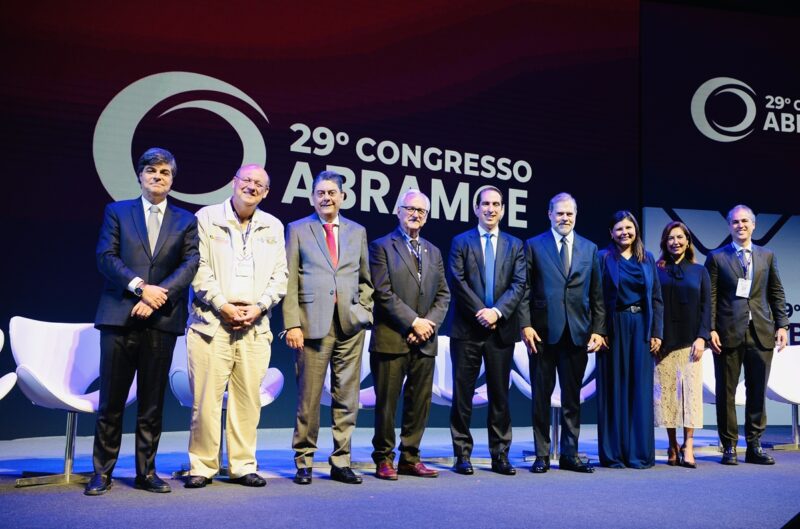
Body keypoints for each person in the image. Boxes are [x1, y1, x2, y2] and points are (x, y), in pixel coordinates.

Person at [86, 148, 199, 495]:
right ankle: (102, 472)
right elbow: (106, 256)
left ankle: (146, 472)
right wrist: (140, 288)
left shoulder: (185, 220)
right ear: (140, 175)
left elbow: (190, 263)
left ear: (172, 180)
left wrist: (157, 296)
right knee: (111, 401)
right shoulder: (117, 212)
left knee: (152, 404)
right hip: (119, 317)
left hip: (161, 320)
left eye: (165, 172)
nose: (158, 177)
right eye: (152, 171)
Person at [185, 164, 288, 488]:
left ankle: (243, 465)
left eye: (259, 184)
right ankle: (202, 466)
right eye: (247, 180)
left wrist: (259, 307)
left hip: (255, 325)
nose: (252, 187)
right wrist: (223, 305)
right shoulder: (206, 217)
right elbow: (197, 268)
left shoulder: (273, 226)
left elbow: (280, 276)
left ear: (266, 192)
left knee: (247, 401)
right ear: (234, 182)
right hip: (211, 322)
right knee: (206, 401)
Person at [283, 170, 374, 485]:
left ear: (342, 197)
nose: (326, 198)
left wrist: (364, 312)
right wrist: (292, 324)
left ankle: (341, 461)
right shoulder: (297, 229)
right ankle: (304, 461)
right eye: (320, 193)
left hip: (350, 326)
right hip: (311, 325)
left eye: (332, 193)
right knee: (308, 399)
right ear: (312, 197)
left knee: (347, 397)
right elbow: (289, 281)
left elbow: (366, 279)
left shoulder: (357, 231)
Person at [519, 193, 605, 474]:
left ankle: (570, 454)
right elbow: (524, 289)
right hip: (542, 335)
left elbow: (597, 294)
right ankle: (542, 454)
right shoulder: (534, 245)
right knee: (541, 399)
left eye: (569, 214)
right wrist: (525, 324)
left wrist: (598, 329)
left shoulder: (590, 248)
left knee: (572, 399)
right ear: (549, 214)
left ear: (576, 215)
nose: (565, 218)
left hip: (577, 333)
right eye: (560, 213)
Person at [369, 189, 450, 480]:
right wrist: (413, 322)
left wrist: (427, 325)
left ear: (426, 217)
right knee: (387, 405)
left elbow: (443, 295)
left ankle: (410, 458)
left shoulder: (433, 251)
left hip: (425, 341)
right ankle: (384, 459)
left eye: (421, 211)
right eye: (410, 209)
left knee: (419, 403)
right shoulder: (381, 246)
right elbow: (382, 292)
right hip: (392, 339)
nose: (415, 214)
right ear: (398, 211)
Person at [448, 185, 526, 476]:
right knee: (462, 396)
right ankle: (462, 454)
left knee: (500, 397)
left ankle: (500, 454)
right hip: (467, 330)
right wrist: (482, 311)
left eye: (496, 204)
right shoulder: (461, 241)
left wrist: (497, 312)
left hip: (501, 331)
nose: (490, 209)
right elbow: (457, 281)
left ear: (503, 210)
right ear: (476, 208)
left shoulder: (515, 245)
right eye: (485, 204)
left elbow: (519, 284)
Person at [706, 205, 789, 465]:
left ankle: (754, 446)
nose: (740, 225)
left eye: (744, 221)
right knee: (726, 392)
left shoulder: (767, 256)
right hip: (728, 332)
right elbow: (710, 297)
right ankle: (729, 446)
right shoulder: (717, 257)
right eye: (735, 222)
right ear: (729, 226)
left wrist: (783, 325)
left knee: (757, 391)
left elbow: (776, 292)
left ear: (753, 225)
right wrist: (710, 329)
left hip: (761, 332)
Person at [596, 210, 663, 469]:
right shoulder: (603, 257)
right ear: (611, 233)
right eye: (619, 229)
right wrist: (599, 330)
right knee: (614, 389)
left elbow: (656, 298)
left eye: (628, 227)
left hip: (641, 327)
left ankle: (639, 454)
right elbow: (596, 298)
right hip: (613, 327)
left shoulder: (648, 258)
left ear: (636, 229)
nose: (625, 232)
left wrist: (656, 332)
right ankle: (614, 454)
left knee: (639, 389)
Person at [654, 221, 710, 468]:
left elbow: (707, 307)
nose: (675, 242)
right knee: (667, 396)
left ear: (688, 241)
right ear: (665, 242)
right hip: (664, 343)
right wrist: (655, 336)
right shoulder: (657, 270)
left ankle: (688, 444)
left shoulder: (700, 271)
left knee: (690, 395)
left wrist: (702, 338)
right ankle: (672, 444)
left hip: (691, 343)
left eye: (680, 237)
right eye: (670, 238)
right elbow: (653, 305)